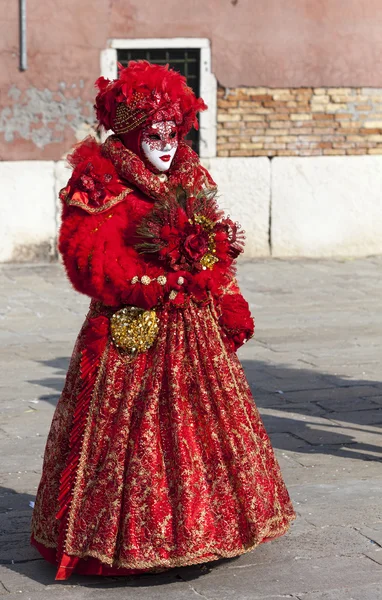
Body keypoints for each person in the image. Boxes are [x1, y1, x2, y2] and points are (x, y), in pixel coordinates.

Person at [30, 61, 295, 580]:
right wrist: (162, 275)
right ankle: (117, 541)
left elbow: (208, 236)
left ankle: (210, 529)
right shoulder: (101, 180)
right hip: (132, 330)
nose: (167, 145)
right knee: (133, 439)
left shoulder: (187, 175)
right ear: (131, 132)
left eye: (173, 133)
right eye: (155, 135)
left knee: (202, 429)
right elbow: (88, 260)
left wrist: (219, 248)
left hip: (192, 329)